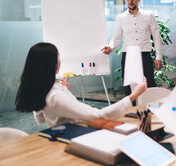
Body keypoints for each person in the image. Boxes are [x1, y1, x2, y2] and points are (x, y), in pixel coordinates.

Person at [15, 42, 147, 128]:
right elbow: (98, 115)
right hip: (76, 137)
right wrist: (134, 95)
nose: (60, 60)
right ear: (52, 64)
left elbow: (40, 119)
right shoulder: (54, 96)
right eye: (58, 57)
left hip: (66, 135)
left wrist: (63, 90)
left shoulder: (43, 90)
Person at [101, 0, 162, 94]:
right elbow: (116, 38)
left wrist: (158, 57)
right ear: (125, 0)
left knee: (149, 88)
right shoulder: (120, 18)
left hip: (144, 56)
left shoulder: (149, 16)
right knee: (130, 90)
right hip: (128, 57)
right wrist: (110, 47)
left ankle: (149, 110)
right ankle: (132, 110)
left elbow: (157, 37)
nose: (130, 1)